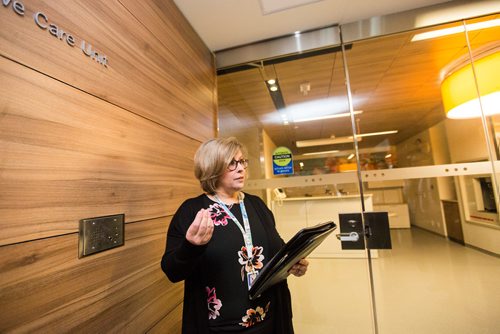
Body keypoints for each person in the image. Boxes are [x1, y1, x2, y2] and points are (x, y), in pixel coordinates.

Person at [161, 137, 309, 334]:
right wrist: (191, 246)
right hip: (219, 328)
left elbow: (277, 250)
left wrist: (292, 263)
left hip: (269, 320)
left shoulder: (257, 205)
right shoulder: (192, 210)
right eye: (232, 163)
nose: (241, 169)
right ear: (212, 167)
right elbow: (172, 271)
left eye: (242, 162)